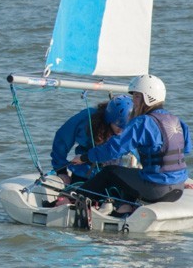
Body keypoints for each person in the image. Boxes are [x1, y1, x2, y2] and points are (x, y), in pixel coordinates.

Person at [72, 74, 191, 210]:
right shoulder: (177, 120)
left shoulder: (143, 122)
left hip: (157, 190)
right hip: (178, 189)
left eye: (136, 96)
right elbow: (186, 149)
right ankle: (123, 210)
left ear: (148, 98)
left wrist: (85, 157)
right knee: (131, 174)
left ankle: (72, 200)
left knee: (109, 172)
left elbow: (113, 149)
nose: (133, 101)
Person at [50, 94, 134, 185]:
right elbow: (62, 139)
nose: (121, 130)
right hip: (84, 173)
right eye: (118, 126)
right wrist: (61, 171)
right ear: (110, 118)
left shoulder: (135, 129)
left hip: (113, 174)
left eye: (126, 127)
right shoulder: (87, 119)